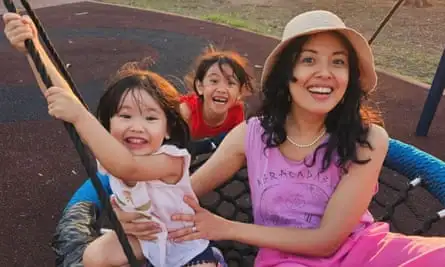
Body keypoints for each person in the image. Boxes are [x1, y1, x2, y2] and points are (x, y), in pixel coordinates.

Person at [160, 10, 445, 266]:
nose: (325, 73)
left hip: (366, 252)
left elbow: (327, 241)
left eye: (338, 62)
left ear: (349, 77)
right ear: (287, 73)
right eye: (308, 60)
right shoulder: (252, 134)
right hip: (285, 260)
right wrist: (138, 209)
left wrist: (226, 227)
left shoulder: (368, 139)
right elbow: (185, 192)